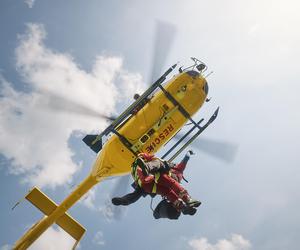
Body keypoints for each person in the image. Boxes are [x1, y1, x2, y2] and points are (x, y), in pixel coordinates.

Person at [112, 151, 200, 219]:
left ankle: (125, 200)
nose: (173, 164)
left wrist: (188, 153)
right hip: (157, 182)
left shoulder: (176, 169)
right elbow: (184, 161)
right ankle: (184, 205)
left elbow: (184, 161)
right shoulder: (173, 170)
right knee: (167, 191)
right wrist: (188, 154)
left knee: (141, 189)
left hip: (160, 178)